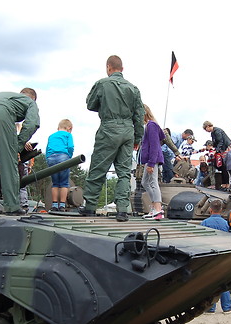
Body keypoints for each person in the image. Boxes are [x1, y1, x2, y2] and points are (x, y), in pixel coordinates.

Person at [81, 55, 144, 222]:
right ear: (122, 69)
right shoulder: (133, 88)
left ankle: (90, 206)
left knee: (98, 168)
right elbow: (139, 116)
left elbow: (90, 104)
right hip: (128, 131)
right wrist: (137, 138)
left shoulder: (102, 84)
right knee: (124, 172)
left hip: (109, 128)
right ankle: (122, 209)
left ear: (108, 67)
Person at [0, 88, 39, 215]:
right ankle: (12, 206)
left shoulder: (11, 97)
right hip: (1, 113)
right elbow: (32, 124)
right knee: (8, 162)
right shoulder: (30, 102)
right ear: (33, 98)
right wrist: (18, 145)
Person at [201, 200, 231, 314]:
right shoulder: (226, 223)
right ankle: (227, 307)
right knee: (223, 281)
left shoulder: (205, 222)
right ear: (221, 210)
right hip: (223, 255)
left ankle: (210, 308)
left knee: (211, 282)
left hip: (210, 255)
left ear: (210, 210)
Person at [139, 105, 165, 220]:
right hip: (149, 159)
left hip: (152, 159)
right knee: (145, 182)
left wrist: (151, 163)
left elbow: (154, 145)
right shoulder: (149, 126)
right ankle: (155, 207)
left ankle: (158, 209)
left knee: (153, 182)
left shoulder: (151, 125)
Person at [46, 119, 74, 212]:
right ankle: (62, 205)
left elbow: (47, 149)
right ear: (69, 128)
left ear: (58, 127)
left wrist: (48, 159)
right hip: (63, 157)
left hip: (51, 158)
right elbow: (70, 147)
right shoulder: (68, 135)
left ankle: (54, 205)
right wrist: (69, 156)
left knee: (55, 183)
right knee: (64, 183)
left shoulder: (51, 136)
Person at [202, 121, 231, 190]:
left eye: (206, 129)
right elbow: (215, 143)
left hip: (225, 149)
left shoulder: (217, 131)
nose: (206, 131)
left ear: (208, 126)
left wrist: (216, 150)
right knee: (221, 167)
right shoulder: (213, 133)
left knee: (224, 167)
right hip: (221, 150)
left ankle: (226, 184)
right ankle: (224, 183)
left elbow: (221, 142)